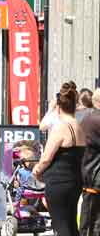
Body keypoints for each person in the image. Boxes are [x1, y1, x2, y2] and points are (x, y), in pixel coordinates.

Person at [33, 87, 85, 236]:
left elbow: (46, 158)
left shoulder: (61, 128)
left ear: (59, 107)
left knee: (60, 225)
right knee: (71, 225)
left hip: (58, 183)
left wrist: (36, 171)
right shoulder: (79, 127)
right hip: (75, 182)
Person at [80, 105, 100, 235]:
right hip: (93, 175)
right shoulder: (95, 119)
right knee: (93, 220)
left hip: (90, 173)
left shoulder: (87, 118)